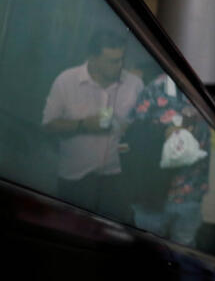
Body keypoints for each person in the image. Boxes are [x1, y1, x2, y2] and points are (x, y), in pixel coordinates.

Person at [42, 30, 143, 221]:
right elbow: (48, 125)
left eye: (121, 59)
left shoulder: (134, 84)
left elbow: (140, 123)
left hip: (116, 176)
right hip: (75, 177)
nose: (119, 66)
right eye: (113, 61)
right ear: (93, 59)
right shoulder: (66, 81)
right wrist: (83, 125)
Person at [126, 72, 209, 247]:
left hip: (190, 193)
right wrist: (162, 134)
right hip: (154, 195)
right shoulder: (155, 90)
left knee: (185, 256)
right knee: (148, 253)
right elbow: (133, 136)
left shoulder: (207, 88)